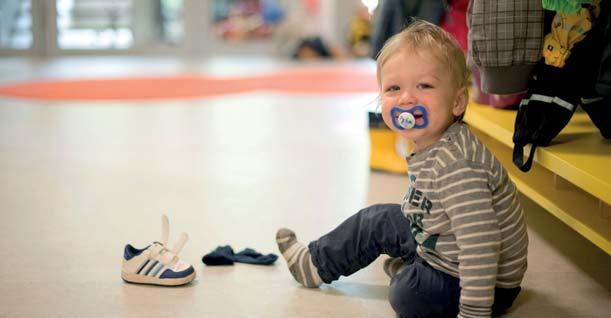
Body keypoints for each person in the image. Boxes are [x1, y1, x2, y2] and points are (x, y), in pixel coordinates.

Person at [275, 20, 528, 318]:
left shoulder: (459, 166)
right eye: (394, 88)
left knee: (406, 294)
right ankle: (315, 264)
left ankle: (419, 272)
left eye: (424, 86)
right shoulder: (432, 143)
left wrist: (473, 311)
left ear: (458, 101)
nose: (407, 98)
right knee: (376, 218)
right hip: (445, 246)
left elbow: (481, 246)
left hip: (484, 281)